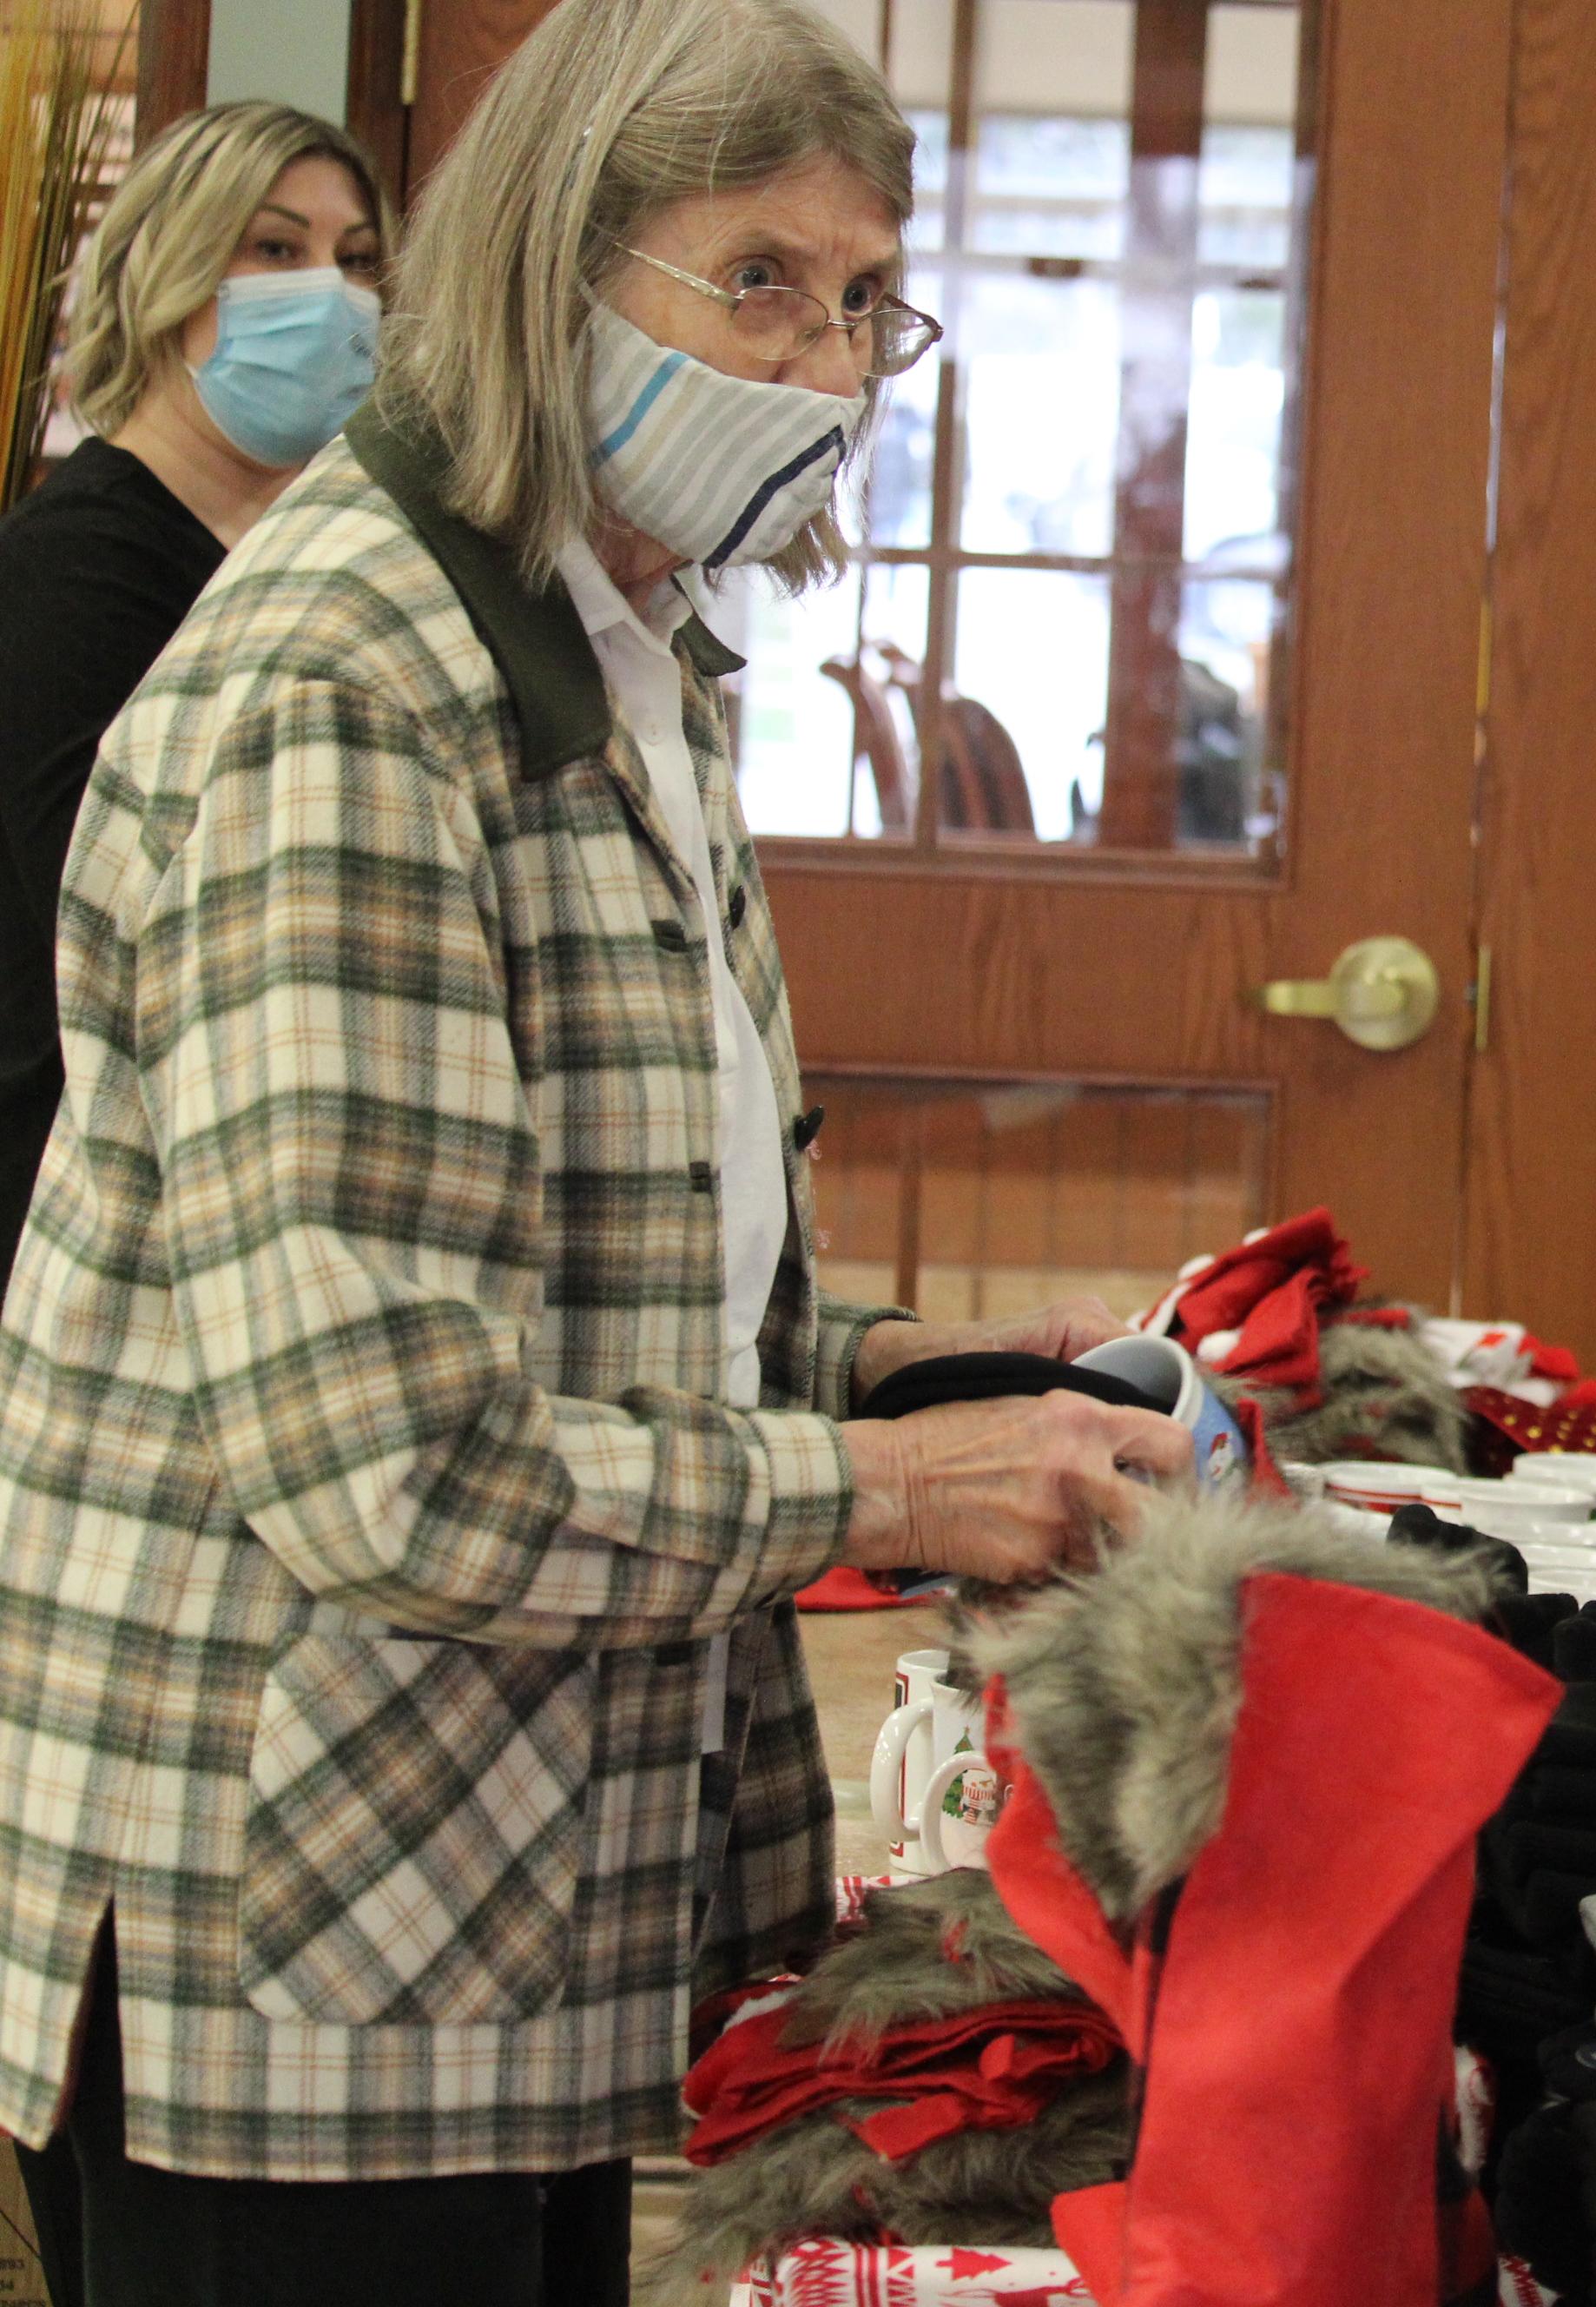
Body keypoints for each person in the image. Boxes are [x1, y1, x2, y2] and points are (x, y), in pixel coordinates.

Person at [0, 3, 1189, 2301]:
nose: (823, 358)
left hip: (508, 1915)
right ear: (552, 269)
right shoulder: (352, 688)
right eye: (755, 278)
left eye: (862, 299)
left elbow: (608, 1262)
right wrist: (885, 1499)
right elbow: (388, 1464)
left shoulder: (623, 653)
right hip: (310, 1941)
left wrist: (906, 1370)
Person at [0, 101, 388, 1295]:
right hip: (78, 1214)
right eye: (275, 250)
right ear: (169, 279)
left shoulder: (303, 559)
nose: (329, 292)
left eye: (358, 260)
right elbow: (108, 911)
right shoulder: (71, 570)